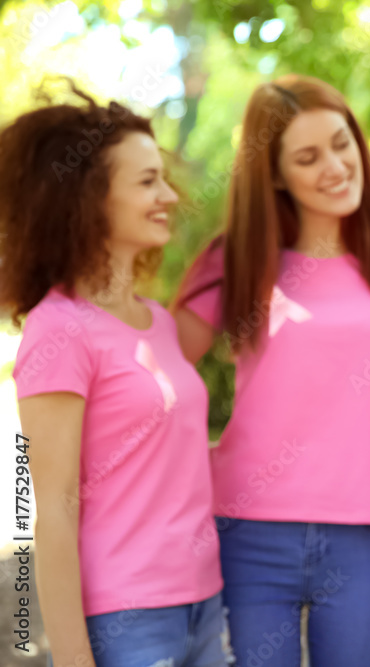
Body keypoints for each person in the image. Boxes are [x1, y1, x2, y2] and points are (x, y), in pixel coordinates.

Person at [172, 74, 370, 666]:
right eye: (308, 157)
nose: (334, 166)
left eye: (341, 143)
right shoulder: (237, 259)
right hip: (247, 532)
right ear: (275, 175)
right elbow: (152, 374)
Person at [1, 87, 226, 667]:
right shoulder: (60, 329)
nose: (169, 195)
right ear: (89, 198)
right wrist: (74, 659)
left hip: (202, 601)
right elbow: (48, 507)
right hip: (126, 620)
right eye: (147, 181)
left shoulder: (157, 323)